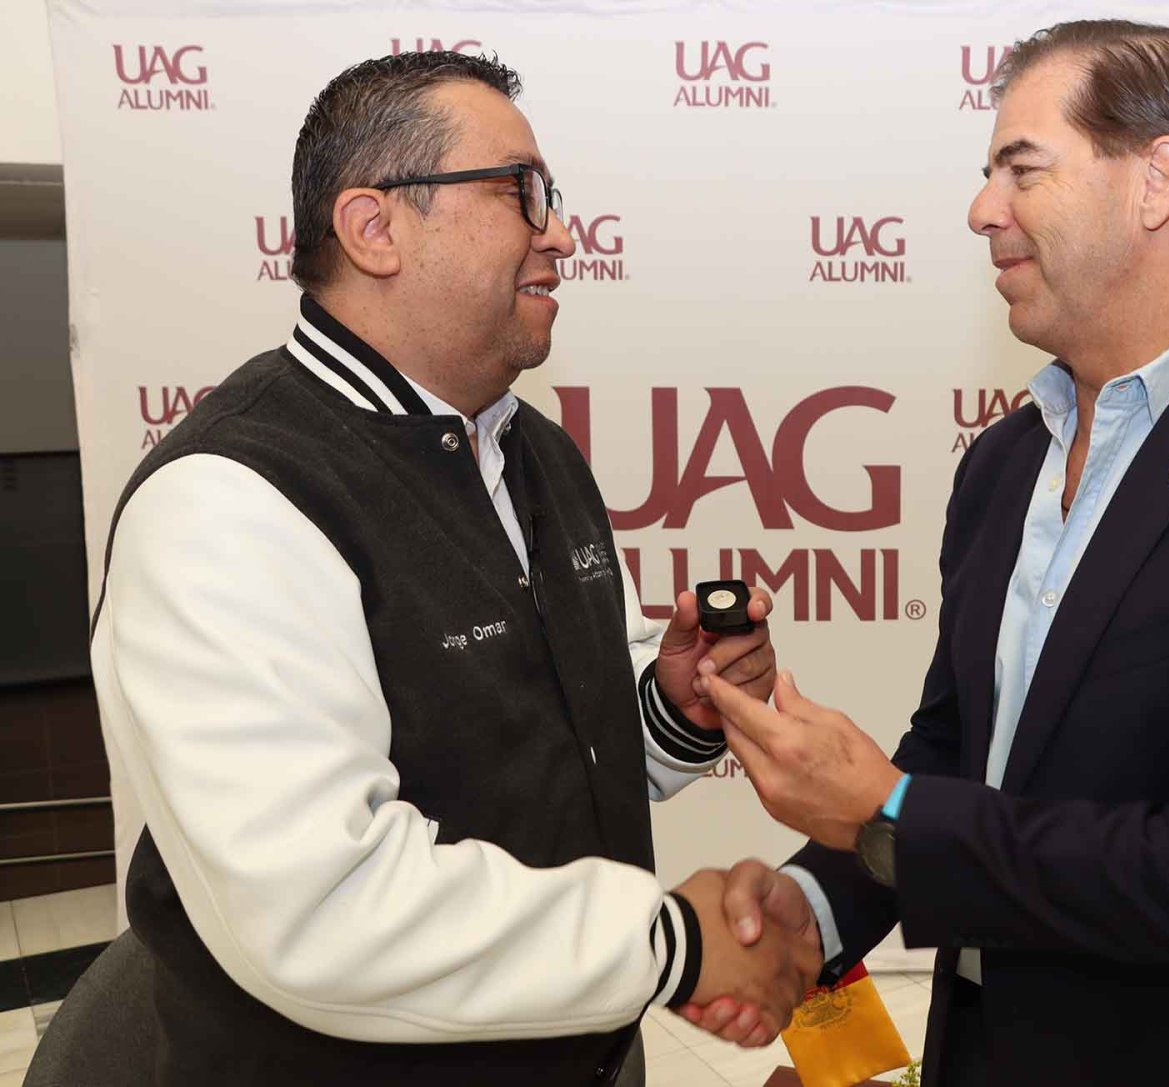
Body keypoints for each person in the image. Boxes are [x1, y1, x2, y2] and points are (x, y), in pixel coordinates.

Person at [688, 19, 1169, 1085]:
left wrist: (885, 809)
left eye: (1022, 169)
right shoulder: (1004, 464)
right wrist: (815, 906)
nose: (981, 208)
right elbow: (964, 753)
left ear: (1157, 183)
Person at [90, 51, 817, 1085]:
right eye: (522, 192)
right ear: (374, 228)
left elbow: (539, 750)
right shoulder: (230, 500)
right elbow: (323, 908)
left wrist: (668, 706)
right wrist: (673, 943)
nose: (560, 233)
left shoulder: (532, 450)